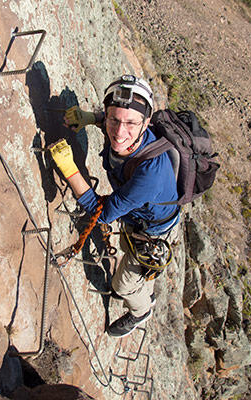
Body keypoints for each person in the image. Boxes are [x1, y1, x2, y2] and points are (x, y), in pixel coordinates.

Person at [49, 74, 180, 337]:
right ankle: (143, 283)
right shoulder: (129, 131)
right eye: (114, 120)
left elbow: (103, 213)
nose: (119, 132)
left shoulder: (150, 174)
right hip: (138, 215)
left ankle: (142, 310)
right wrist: (89, 118)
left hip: (153, 233)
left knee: (122, 286)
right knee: (125, 249)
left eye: (131, 123)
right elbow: (117, 121)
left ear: (146, 124)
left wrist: (70, 170)